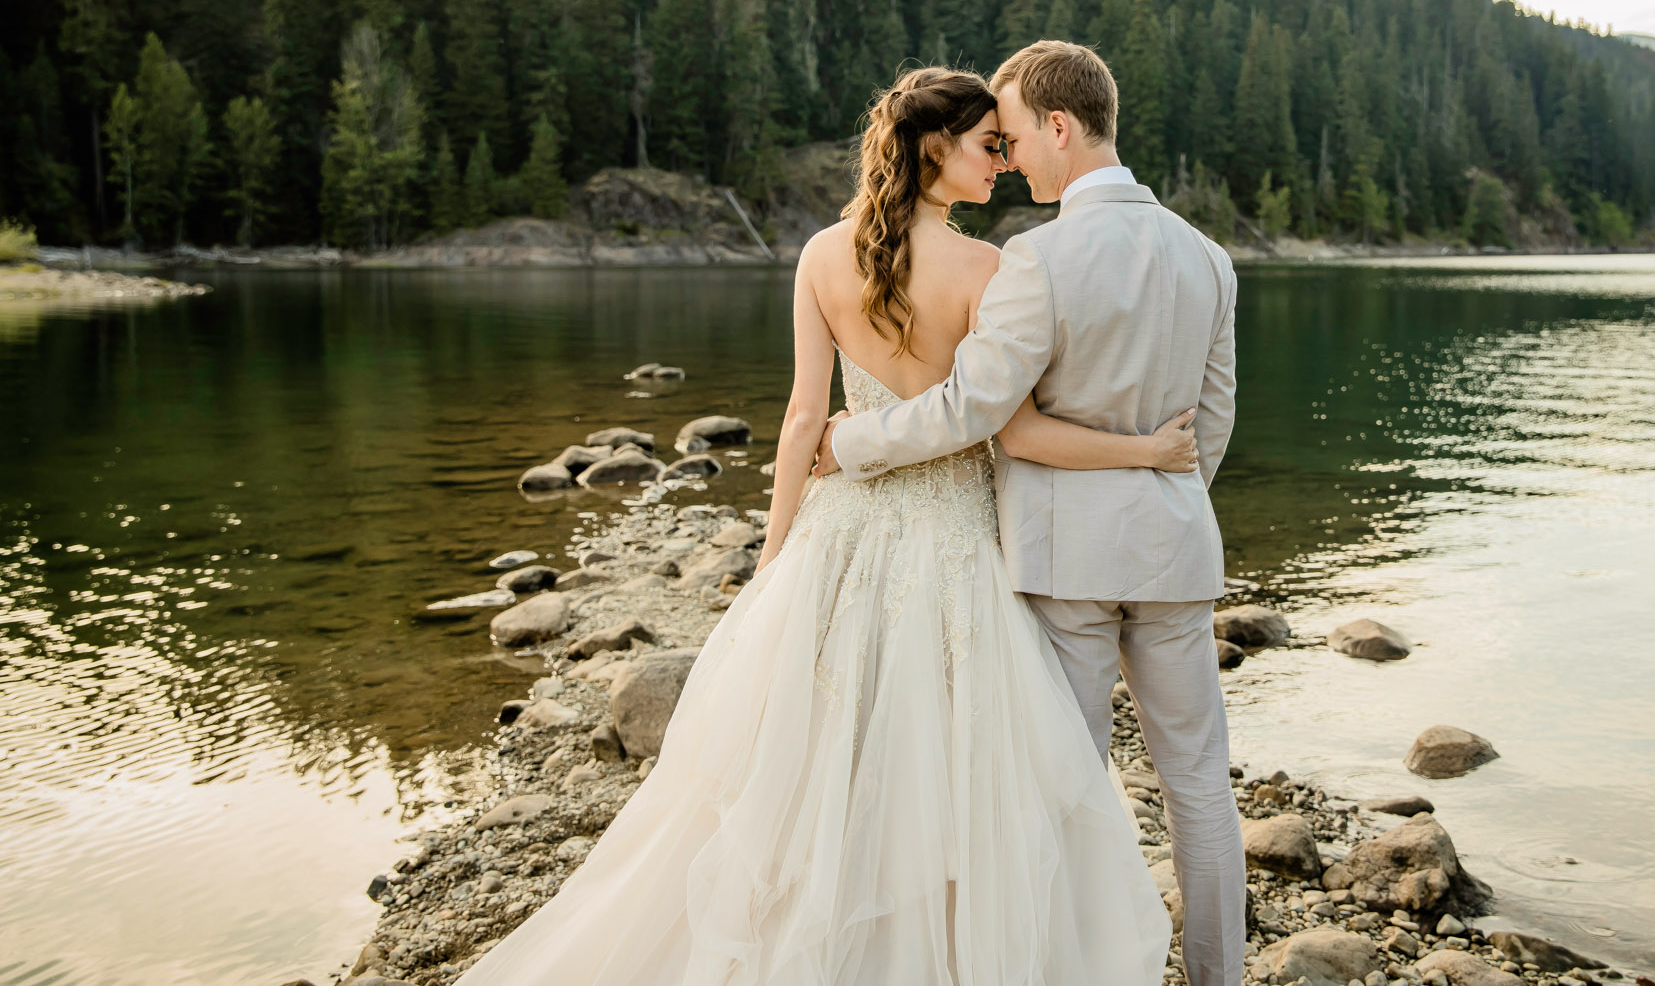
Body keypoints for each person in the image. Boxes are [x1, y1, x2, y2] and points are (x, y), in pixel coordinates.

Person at [453, 65, 1186, 984]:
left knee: (822, 754)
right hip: (955, 540)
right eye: (986, 145)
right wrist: (1144, 451)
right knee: (953, 764)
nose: (1001, 161)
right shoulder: (990, 269)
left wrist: (775, 555)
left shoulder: (819, 254)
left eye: (1007, 146)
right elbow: (1011, 428)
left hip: (838, 532)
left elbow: (803, 420)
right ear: (934, 149)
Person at [816, 40, 1244, 986]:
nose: (1010, 159)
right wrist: (1162, 504)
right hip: (1174, 552)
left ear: (1060, 125)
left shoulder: (1035, 258)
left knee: (1065, 785)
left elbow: (978, 409)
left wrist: (852, 445)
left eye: (1013, 136)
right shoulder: (1207, 257)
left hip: (1063, 564)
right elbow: (1208, 425)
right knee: (1200, 788)